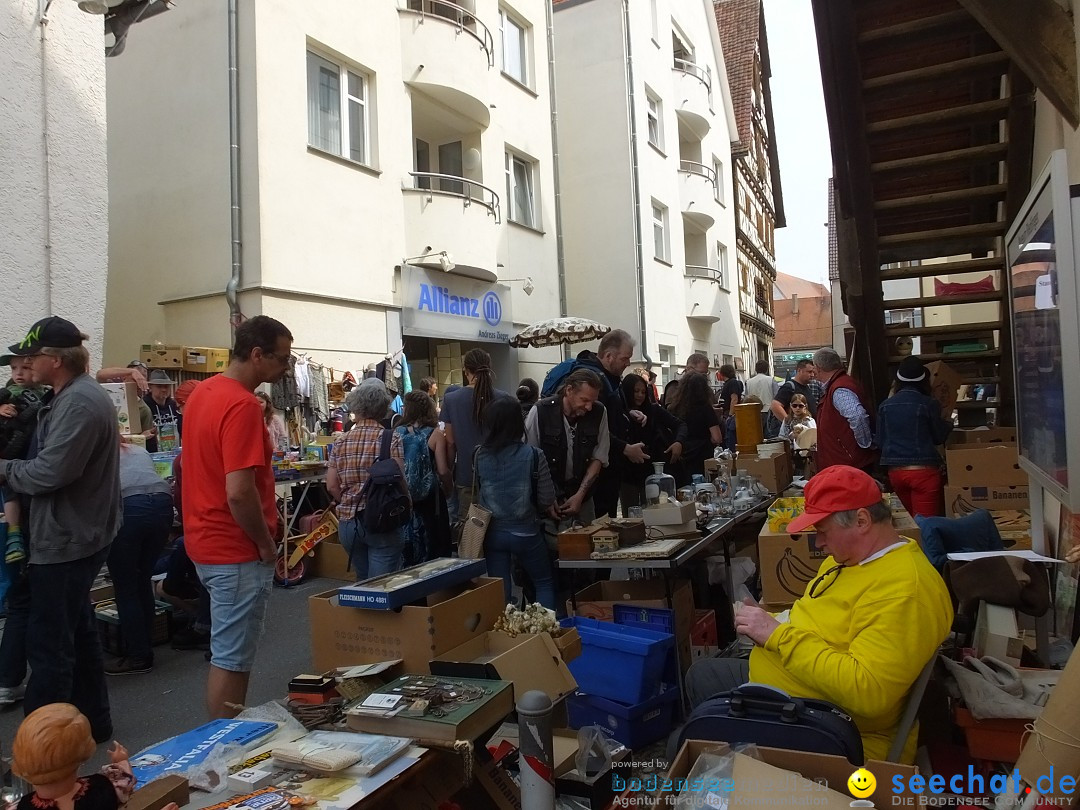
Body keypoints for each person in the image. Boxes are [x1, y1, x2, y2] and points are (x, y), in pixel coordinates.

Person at [684, 465, 953, 764]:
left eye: (823, 531)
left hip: (830, 727)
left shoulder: (904, 592)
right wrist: (773, 620)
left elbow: (868, 691)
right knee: (700, 675)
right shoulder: (851, 561)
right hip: (798, 690)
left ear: (862, 520)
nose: (819, 543)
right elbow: (819, 615)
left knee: (684, 748)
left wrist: (777, 635)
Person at [0, 316, 120, 742]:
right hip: (71, 535)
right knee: (78, 633)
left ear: (54, 359)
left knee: (49, 646)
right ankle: (96, 726)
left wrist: (4, 469)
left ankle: (41, 750)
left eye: (31, 356)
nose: (25, 362)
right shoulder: (67, 395)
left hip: (68, 539)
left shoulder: (80, 402)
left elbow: (51, 472)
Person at [181, 315, 294, 718]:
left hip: (206, 541)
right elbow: (239, 491)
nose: (286, 368)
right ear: (257, 354)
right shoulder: (242, 404)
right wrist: (266, 543)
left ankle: (222, 739)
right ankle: (223, 745)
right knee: (232, 657)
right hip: (234, 548)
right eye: (283, 359)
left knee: (227, 650)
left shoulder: (204, 392)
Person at [475, 397, 559, 610]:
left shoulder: (478, 455)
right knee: (543, 581)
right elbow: (546, 499)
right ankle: (544, 631)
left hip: (492, 533)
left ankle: (504, 634)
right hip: (527, 532)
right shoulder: (533, 454)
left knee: (500, 589)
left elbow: (476, 491)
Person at [105, 436, 174, 675]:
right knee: (142, 577)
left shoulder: (97, 453)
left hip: (129, 507)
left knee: (125, 585)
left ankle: (138, 655)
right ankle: (145, 642)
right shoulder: (137, 450)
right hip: (162, 502)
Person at [327, 379, 409, 578]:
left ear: (356, 408)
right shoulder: (391, 438)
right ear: (383, 408)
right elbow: (399, 478)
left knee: (363, 584)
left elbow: (331, 485)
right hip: (382, 520)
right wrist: (408, 502)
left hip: (349, 523)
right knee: (383, 586)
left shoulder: (341, 442)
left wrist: (349, 501)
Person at [11, 703, 162, 810]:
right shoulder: (100, 789)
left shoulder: (23, 805)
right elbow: (124, 784)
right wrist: (121, 761)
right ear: (80, 757)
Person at [573, 330, 648, 518]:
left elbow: (608, 415)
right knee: (602, 524)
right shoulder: (594, 381)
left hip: (610, 469)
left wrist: (627, 413)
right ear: (608, 356)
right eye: (625, 358)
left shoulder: (609, 379)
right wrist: (625, 448)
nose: (628, 363)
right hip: (598, 473)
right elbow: (592, 430)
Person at [525, 368, 609, 527]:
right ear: (569, 390)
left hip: (583, 499)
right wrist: (547, 497)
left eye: (593, 401)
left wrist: (580, 495)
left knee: (586, 547)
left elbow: (599, 458)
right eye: (584, 400)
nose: (589, 407)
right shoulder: (541, 411)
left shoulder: (599, 412)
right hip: (548, 501)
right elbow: (530, 459)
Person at [877, 356, 953, 517]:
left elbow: (880, 441)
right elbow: (938, 437)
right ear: (924, 381)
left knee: (909, 522)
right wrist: (948, 423)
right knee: (926, 525)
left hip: (896, 473)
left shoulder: (885, 406)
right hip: (924, 473)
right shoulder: (929, 404)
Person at [441, 349, 505, 520]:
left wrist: (449, 470)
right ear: (489, 368)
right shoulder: (504, 399)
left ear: (466, 371)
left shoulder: (451, 400)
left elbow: (450, 442)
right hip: (500, 473)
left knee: (471, 534)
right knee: (498, 525)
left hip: (466, 474)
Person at [395, 391, 453, 565]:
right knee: (436, 548)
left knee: (409, 548)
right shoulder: (434, 434)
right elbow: (442, 470)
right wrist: (448, 490)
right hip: (431, 499)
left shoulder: (396, 433)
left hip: (404, 497)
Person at [619, 374, 686, 513]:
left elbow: (680, 425)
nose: (640, 395)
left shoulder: (653, 409)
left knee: (655, 511)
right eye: (636, 391)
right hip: (627, 474)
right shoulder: (620, 413)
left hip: (653, 471)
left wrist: (678, 442)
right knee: (630, 514)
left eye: (643, 392)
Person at [812, 347, 877, 472]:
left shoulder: (839, 389)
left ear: (818, 368)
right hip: (845, 462)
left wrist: (865, 444)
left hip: (849, 464)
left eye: (814, 366)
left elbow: (857, 416)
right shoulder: (838, 385)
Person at [666, 372, 721, 485]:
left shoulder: (674, 408)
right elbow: (717, 438)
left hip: (681, 454)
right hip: (702, 455)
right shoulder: (705, 408)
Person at [770, 358, 818, 435]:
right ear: (799, 370)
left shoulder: (806, 387)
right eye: (809, 372)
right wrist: (791, 425)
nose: (812, 375)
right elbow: (775, 406)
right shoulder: (789, 387)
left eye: (813, 372)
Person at [143, 370, 181, 452]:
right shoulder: (144, 406)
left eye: (166, 386)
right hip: (151, 452)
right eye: (159, 386)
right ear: (150, 387)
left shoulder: (173, 405)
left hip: (173, 451)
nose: (164, 390)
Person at [746, 360, 778, 437]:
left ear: (756, 369)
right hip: (768, 411)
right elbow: (777, 395)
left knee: (756, 434)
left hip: (753, 412)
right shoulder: (771, 380)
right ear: (767, 369)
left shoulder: (748, 382)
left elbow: (746, 397)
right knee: (769, 435)